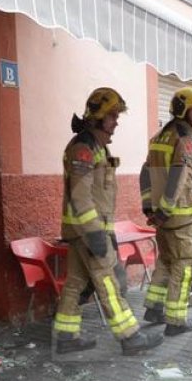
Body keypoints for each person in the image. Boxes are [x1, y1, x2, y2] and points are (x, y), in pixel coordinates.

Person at [53, 87, 164, 355]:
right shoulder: (84, 147)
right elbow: (81, 197)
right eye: (112, 116)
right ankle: (130, 337)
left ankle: (66, 336)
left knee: (77, 283)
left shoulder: (96, 146)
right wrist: (94, 234)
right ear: (98, 116)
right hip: (87, 231)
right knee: (108, 281)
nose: (116, 122)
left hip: (87, 230)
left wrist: (103, 231)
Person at [139, 86, 192, 335]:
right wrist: (167, 209)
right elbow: (178, 177)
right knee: (184, 265)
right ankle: (175, 321)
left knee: (166, 262)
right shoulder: (184, 140)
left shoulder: (158, 137)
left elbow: (145, 172)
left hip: (162, 217)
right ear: (182, 112)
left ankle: (153, 308)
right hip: (180, 217)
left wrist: (150, 208)